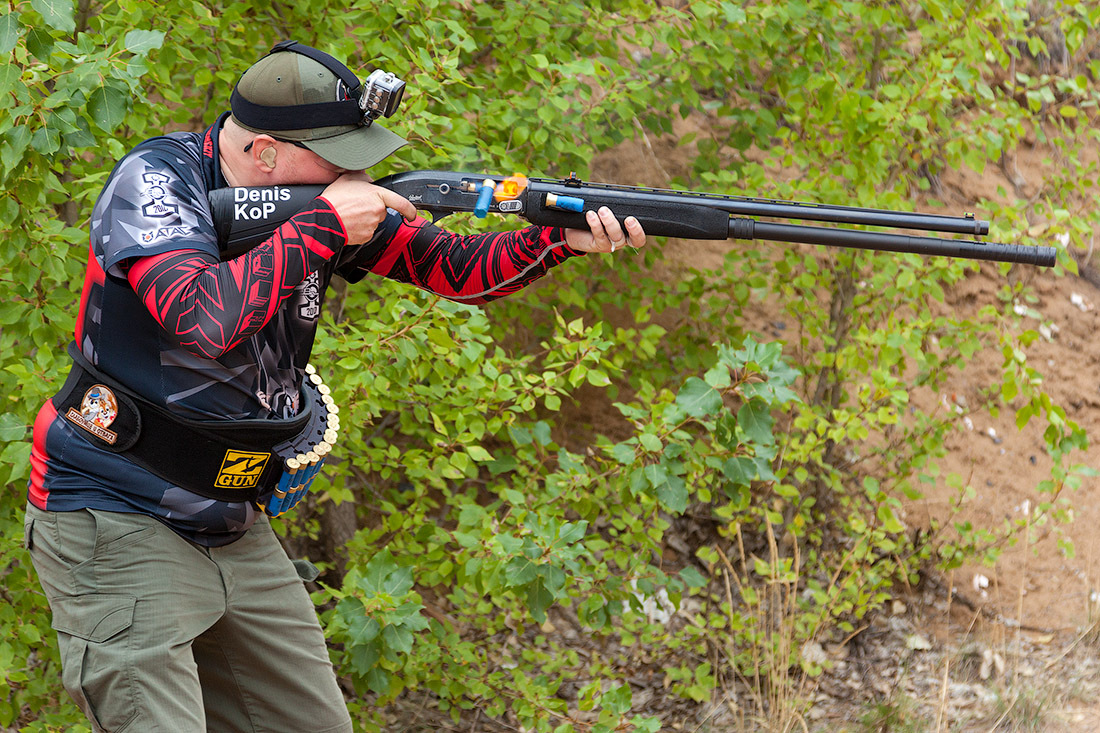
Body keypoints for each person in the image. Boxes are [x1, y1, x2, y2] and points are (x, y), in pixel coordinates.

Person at [24, 41, 646, 733]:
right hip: (116, 508)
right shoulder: (156, 181)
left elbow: (454, 268)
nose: (358, 172)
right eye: (337, 155)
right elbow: (204, 318)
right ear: (264, 154)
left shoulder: (318, 198)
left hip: (232, 515)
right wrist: (322, 224)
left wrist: (557, 239)